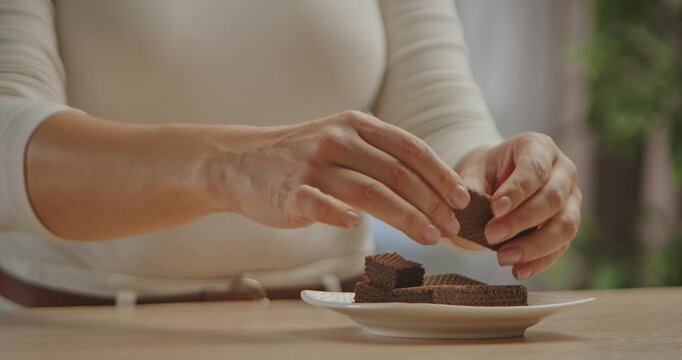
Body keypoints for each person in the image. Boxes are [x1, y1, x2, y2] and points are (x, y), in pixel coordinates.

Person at [0, 0, 581, 307]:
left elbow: (438, 120)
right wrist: (225, 168)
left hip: (328, 334)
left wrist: (495, 181)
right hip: (77, 333)